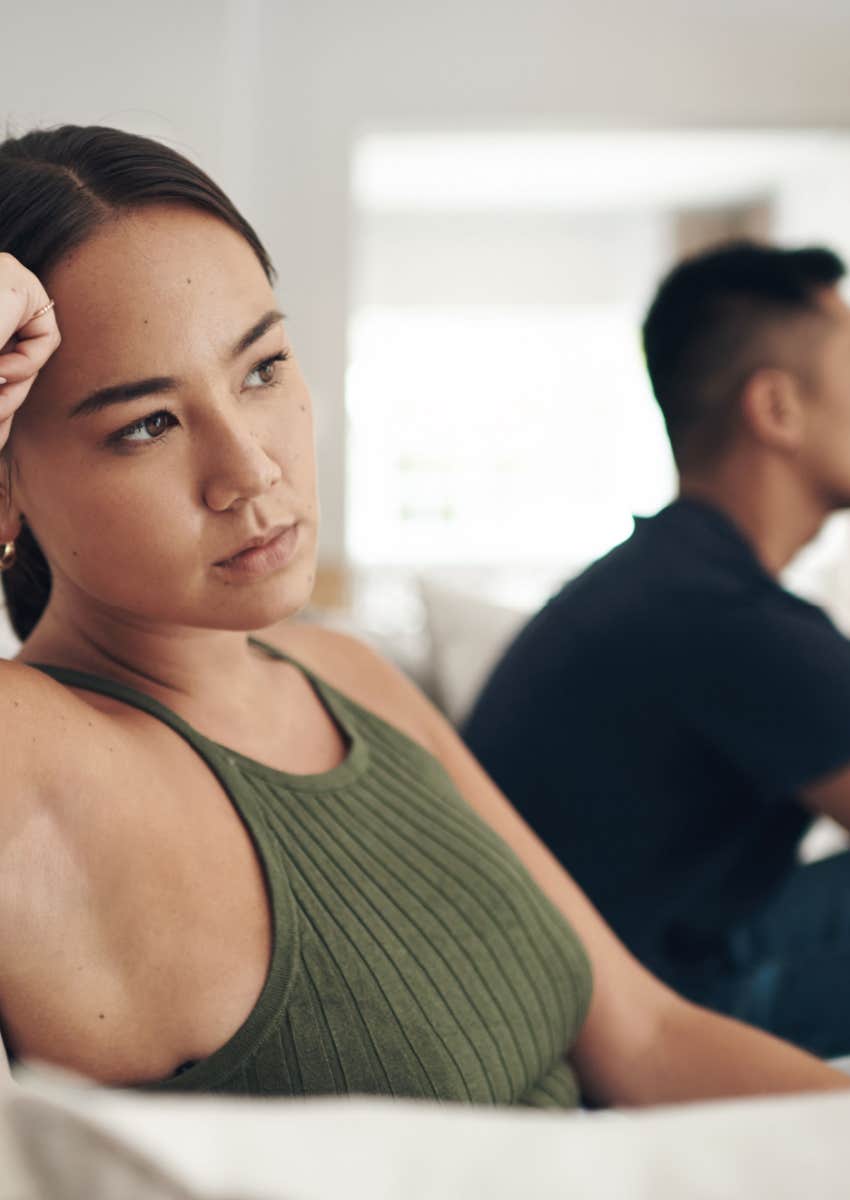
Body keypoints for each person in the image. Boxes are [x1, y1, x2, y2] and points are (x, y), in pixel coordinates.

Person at [0, 128, 844, 1107]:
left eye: (262, 369)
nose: (251, 470)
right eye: (146, 424)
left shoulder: (346, 678)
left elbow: (649, 1036)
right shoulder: (38, 755)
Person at [464, 241, 850, 1059]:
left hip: (622, 970)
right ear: (776, 407)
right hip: (627, 1024)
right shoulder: (728, 619)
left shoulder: (669, 578)